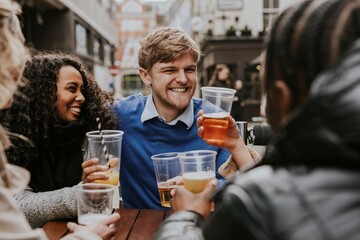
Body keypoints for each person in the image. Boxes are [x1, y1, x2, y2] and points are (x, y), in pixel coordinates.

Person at [154, 0, 360, 239]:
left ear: (281, 98)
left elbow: (278, 189)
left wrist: (185, 217)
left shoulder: (257, 202)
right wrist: (237, 145)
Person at [82, 26, 254, 210]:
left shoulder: (214, 119)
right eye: (170, 70)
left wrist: (201, 187)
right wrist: (90, 178)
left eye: (189, 69)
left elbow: (246, 188)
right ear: (146, 75)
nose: (183, 79)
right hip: (138, 230)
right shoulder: (120, 115)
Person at [0, 0, 120, 239]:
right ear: (44, 94)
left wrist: (96, 190)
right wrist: (80, 194)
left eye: (83, 90)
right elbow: (17, 207)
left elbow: (111, 198)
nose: (82, 98)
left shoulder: (92, 132)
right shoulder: (15, 136)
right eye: (72, 89)